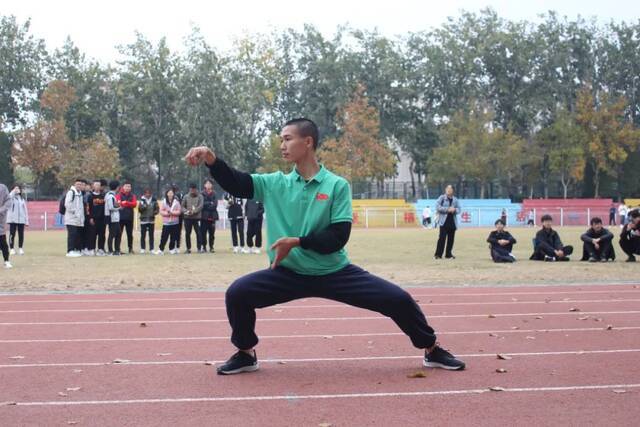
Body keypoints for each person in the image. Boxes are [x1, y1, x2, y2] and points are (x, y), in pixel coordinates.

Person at [185, 118, 465, 375]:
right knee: (238, 294)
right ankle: (246, 353)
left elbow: (338, 237)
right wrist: (212, 159)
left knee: (399, 300)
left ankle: (431, 348)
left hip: (335, 272)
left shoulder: (336, 185)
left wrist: (297, 242)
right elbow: (239, 183)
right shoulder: (275, 183)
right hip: (287, 274)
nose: (282, 145)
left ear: (307, 142)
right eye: (281, 139)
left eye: (287, 139)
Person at [434, 185, 460, 259]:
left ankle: (448, 254)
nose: (448, 190)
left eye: (450, 189)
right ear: (445, 190)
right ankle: (438, 254)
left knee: (451, 239)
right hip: (443, 222)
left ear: (453, 190)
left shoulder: (455, 200)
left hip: (452, 222)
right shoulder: (442, 198)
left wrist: (454, 210)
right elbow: (437, 207)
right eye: (447, 188)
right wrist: (447, 209)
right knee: (442, 238)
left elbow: (459, 209)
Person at [64, 178, 85, 258]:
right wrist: (75, 212)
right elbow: (67, 204)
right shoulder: (71, 192)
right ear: (74, 184)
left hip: (78, 219)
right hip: (71, 219)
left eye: (80, 184)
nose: (79, 186)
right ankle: (70, 251)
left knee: (77, 235)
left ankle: (75, 250)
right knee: (72, 235)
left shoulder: (80, 194)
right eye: (78, 184)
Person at [157, 188, 182, 255]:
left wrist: (172, 212)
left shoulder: (176, 202)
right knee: (164, 237)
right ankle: (161, 249)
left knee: (173, 237)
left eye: (171, 193)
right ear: (167, 194)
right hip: (166, 223)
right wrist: (167, 213)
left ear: (173, 194)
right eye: (169, 193)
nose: (170, 194)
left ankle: (172, 249)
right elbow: (161, 211)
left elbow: (179, 211)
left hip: (175, 222)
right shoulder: (164, 202)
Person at [182, 183, 204, 254]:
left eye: (194, 189)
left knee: (199, 233)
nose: (192, 190)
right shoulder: (186, 196)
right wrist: (187, 211)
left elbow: (201, 206)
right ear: (189, 189)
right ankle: (188, 248)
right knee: (187, 233)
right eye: (191, 189)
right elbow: (182, 206)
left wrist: (194, 211)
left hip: (197, 218)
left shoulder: (200, 196)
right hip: (187, 218)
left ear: (196, 189)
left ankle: (199, 248)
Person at [7, 185, 29, 256]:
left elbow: (25, 210)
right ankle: (12, 248)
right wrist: (14, 190)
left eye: (18, 188)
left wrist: (26, 220)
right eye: (16, 188)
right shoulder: (11, 198)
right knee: (12, 234)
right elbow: (9, 196)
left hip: (21, 220)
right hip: (13, 219)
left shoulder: (22, 199)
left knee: (21, 234)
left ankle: (20, 248)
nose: (17, 190)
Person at [116, 182, 137, 254]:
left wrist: (126, 203)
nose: (128, 188)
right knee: (119, 234)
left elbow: (134, 204)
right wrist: (126, 203)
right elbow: (118, 203)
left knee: (130, 234)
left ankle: (130, 248)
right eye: (126, 186)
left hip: (129, 217)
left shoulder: (132, 195)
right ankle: (118, 248)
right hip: (120, 217)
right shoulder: (119, 195)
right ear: (123, 187)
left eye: (129, 186)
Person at [87, 180, 107, 256]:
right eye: (96, 185)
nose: (97, 187)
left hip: (102, 219)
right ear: (93, 186)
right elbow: (88, 208)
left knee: (102, 234)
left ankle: (101, 249)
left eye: (99, 185)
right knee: (92, 234)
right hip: (93, 218)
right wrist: (90, 217)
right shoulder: (90, 196)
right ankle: (92, 249)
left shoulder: (103, 195)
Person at [200, 179, 218, 253]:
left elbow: (215, 205)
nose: (208, 185)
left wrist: (209, 204)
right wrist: (210, 203)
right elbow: (202, 204)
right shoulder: (201, 193)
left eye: (210, 183)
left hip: (212, 216)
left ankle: (211, 247)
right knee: (203, 233)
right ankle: (204, 247)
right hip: (204, 216)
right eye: (207, 183)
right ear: (204, 185)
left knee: (212, 233)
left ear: (212, 185)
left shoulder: (214, 193)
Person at [138, 188, 159, 254]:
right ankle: (142, 249)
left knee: (151, 235)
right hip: (143, 220)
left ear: (151, 194)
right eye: (146, 193)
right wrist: (143, 207)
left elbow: (157, 209)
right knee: (143, 235)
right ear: (144, 194)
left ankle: (151, 249)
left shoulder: (154, 200)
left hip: (151, 220)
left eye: (149, 193)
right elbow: (139, 210)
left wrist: (154, 212)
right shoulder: (142, 200)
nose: (148, 194)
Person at [105, 180, 122, 256]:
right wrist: (119, 207)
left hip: (115, 218)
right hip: (112, 218)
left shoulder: (110, 195)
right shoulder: (110, 196)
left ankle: (117, 250)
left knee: (118, 234)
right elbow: (111, 207)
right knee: (112, 235)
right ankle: (111, 250)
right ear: (117, 187)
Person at [0, 183, 12, 268]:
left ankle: (6, 260)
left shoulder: (3, 188)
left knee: (3, 241)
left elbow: (8, 201)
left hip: (0, 219)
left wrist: (1, 210)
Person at [172, 184, 184, 253]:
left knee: (177, 232)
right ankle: (175, 247)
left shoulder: (179, 195)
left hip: (178, 215)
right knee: (176, 232)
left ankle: (176, 247)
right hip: (174, 215)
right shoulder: (170, 196)